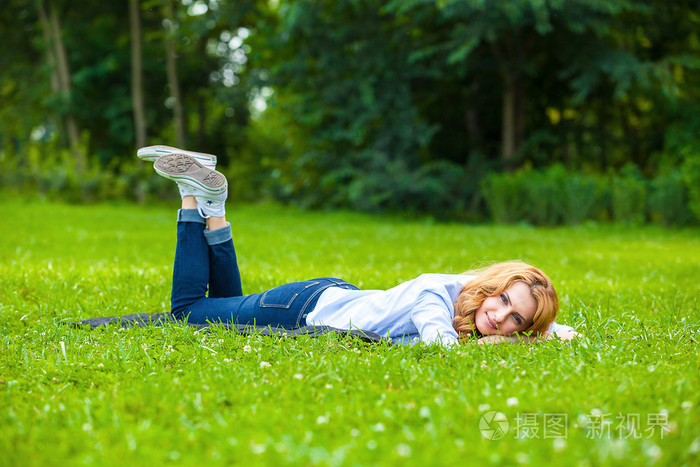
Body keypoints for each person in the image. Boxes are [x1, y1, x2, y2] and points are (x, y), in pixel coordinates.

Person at [139, 145, 579, 346]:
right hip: (298, 309)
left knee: (228, 304)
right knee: (187, 312)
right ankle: (190, 194)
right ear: (494, 286)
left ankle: (211, 199)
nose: (499, 314)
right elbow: (443, 349)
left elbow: (563, 332)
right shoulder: (434, 297)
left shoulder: (468, 296)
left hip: (326, 296)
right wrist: (509, 345)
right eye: (503, 299)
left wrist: (545, 333)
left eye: (514, 318)